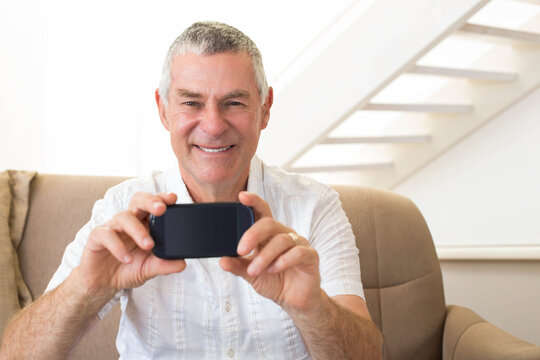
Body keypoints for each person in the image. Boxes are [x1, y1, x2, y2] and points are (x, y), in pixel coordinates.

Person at [0, 22, 383, 359]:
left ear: (265, 109)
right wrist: (87, 287)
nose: (213, 125)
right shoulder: (120, 209)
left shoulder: (315, 207)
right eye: (191, 103)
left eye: (234, 102)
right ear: (164, 109)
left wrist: (311, 306)